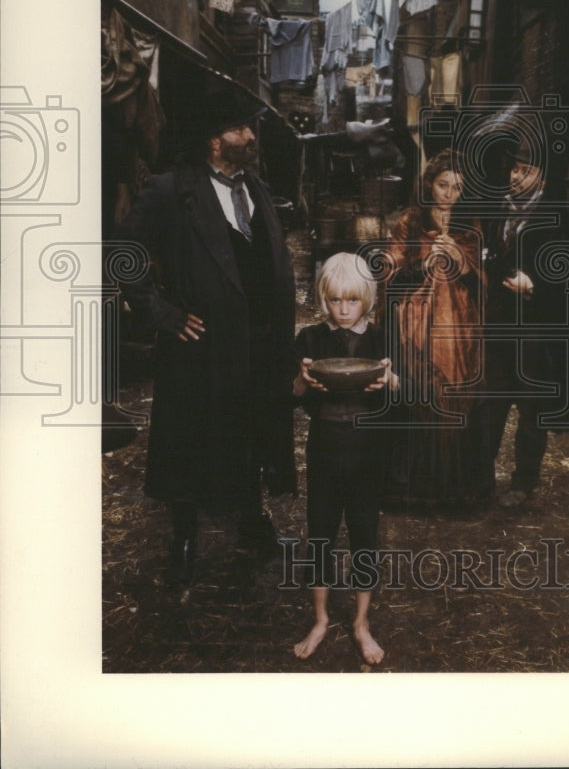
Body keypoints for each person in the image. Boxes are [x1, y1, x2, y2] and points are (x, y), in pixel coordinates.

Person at [115, 82, 297, 586]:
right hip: (201, 346)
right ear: (214, 140)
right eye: (240, 128)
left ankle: (252, 521)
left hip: (259, 342)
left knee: (252, 429)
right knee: (191, 440)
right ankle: (185, 538)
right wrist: (159, 310)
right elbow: (121, 251)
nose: (250, 135)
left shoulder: (255, 186)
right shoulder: (172, 188)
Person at [292, 253, 395, 665]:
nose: (344, 309)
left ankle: (360, 623)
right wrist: (303, 378)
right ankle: (319, 620)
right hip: (324, 445)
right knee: (320, 531)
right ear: (324, 299)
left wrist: (392, 379)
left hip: (369, 447)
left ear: (367, 298)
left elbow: (405, 392)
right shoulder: (310, 340)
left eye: (352, 300)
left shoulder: (382, 339)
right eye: (335, 301)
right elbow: (292, 395)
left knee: (364, 533)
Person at [384, 148, 486, 509]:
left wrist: (462, 263)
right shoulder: (410, 223)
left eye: (457, 187)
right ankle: (413, 488)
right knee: (419, 396)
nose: (449, 194)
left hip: (457, 325)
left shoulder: (470, 226)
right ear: (430, 184)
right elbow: (391, 280)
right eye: (443, 185)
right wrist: (424, 262)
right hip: (415, 325)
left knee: (452, 396)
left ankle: (449, 489)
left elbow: (481, 285)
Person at [480, 143, 564, 507]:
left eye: (524, 171)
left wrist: (535, 287)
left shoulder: (560, 216)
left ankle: (523, 482)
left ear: (541, 178)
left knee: (531, 410)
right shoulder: (499, 208)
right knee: (490, 402)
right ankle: (479, 477)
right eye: (513, 169)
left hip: (535, 328)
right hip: (499, 324)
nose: (515, 176)